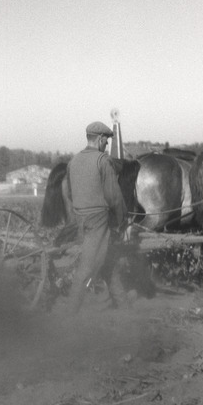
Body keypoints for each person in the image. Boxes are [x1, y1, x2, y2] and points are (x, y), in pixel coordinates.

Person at [65, 121, 128, 312]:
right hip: (98, 221)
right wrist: (122, 221)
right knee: (87, 269)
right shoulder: (103, 161)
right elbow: (114, 197)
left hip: (79, 219)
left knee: (107, 259)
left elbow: (69, 194)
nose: (107, 145)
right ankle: (70, 316)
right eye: (106, 141)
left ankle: (123, 306)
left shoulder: (73, 161)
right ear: (100, 139)